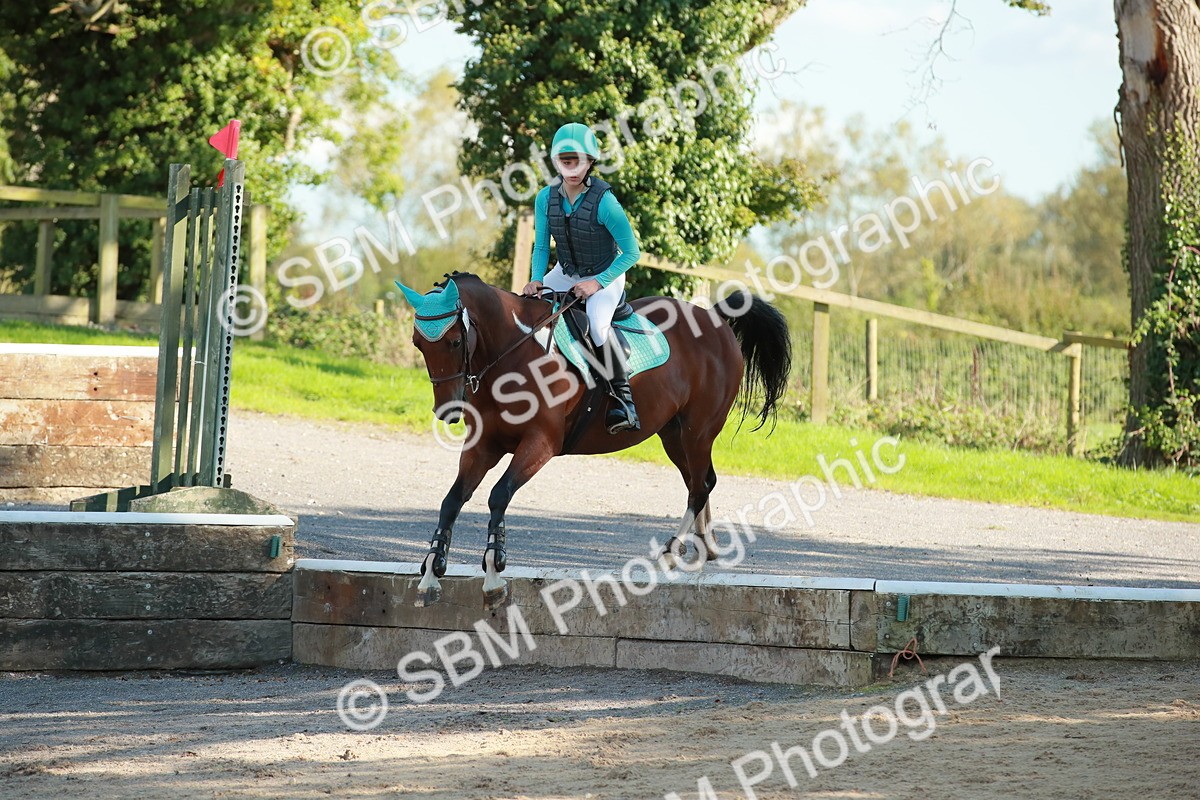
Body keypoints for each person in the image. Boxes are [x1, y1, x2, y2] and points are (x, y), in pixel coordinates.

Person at [522, 121, 642, 434]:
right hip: (565, 272)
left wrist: (596, 284)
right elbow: (540, 245)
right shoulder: (544, 199)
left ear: (591, 163)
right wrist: (537, 279)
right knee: (528, 309)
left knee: (599, 326)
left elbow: (631, 253)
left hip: (606, 273)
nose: (573, 167)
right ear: (556, 162)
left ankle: (624, 401)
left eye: (579, 160)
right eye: (566, 160)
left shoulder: (605, 203)